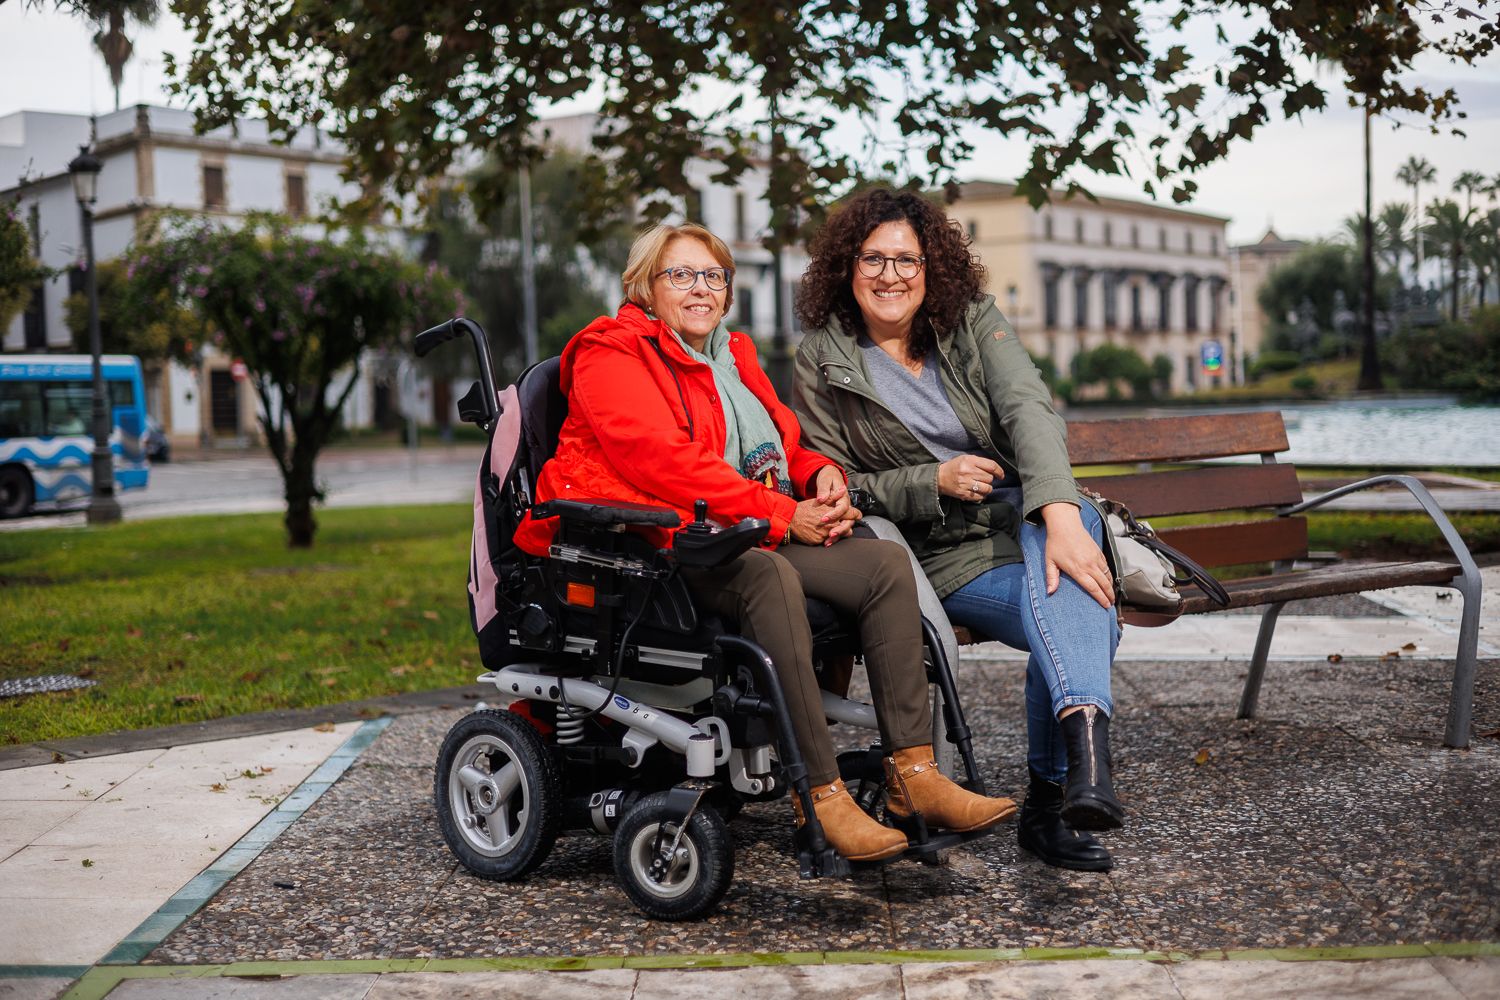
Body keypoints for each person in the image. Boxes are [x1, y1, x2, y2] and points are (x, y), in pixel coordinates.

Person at [513, 222, 1016, 863]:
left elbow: (785, 441)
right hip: (650, 542)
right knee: (768, 576)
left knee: (885, 565)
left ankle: (913, 778)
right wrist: (784, 513)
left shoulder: (733, 355)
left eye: (713, 276)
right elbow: (665, 464)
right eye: (681, 275)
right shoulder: (611, 354)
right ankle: (820, 794)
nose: (701, 288)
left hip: (742, 524)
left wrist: (816, 474)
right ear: (644, 286)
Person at [792, 188, 1124, 873]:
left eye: (906, 260)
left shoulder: (971, 320)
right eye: (873, 259)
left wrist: (1057, 513)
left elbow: (1029, 408)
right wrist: (929, 482)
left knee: (1071, 532)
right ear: (846, 268)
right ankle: (1069, 781)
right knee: (1083, 603)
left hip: (1026, 530)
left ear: (931, 266)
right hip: (936, 556)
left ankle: (1070, 775)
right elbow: (836, 484)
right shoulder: (821, 359)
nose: (891, 275)